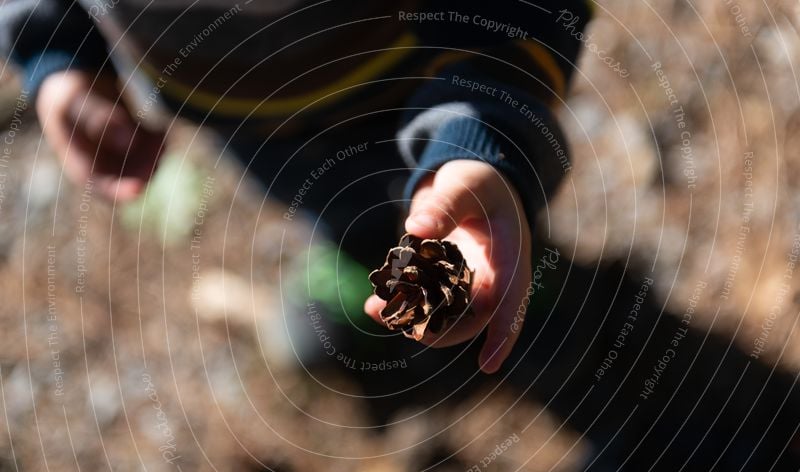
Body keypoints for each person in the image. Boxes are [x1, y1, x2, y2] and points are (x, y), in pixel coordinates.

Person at [1, 0, 591, 373]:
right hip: (238, 116)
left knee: (450, 205)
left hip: (417, 76)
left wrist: (480, 131)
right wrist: (58, 56)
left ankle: (512, 270)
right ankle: (357, 250)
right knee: (324, 197)